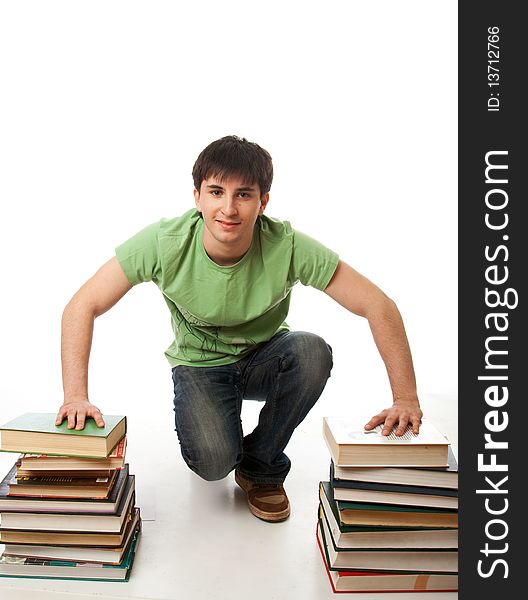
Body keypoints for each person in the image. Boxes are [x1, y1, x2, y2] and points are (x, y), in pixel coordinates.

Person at [56, 135, 423, 522]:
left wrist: (406, 399)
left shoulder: (288, 245)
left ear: (263, 202)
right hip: (199, 366)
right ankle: (225, 440)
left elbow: (377, 304)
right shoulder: (164, 243)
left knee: (312, 351)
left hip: (263, 358)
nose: (228, 208)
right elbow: (82, 304)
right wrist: (75, 395)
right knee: (213, 464)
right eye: (216, 192)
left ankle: (261, 468)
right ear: (197, 197)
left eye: (243, 194)